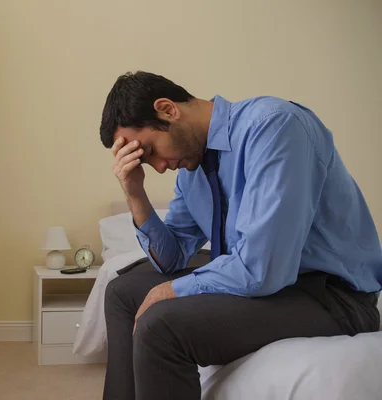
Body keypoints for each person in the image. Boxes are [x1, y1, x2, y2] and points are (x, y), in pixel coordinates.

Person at [99, 71, 382, 400]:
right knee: (121, 293)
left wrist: (172, 291)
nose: (159, 167)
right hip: (273, 286)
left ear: (167, 109)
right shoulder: (192, 172)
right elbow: (173, 258)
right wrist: (135, 194)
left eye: (150, 151)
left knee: (160, 325)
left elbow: (262, 269)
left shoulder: (274, 126)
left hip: (331, 296)